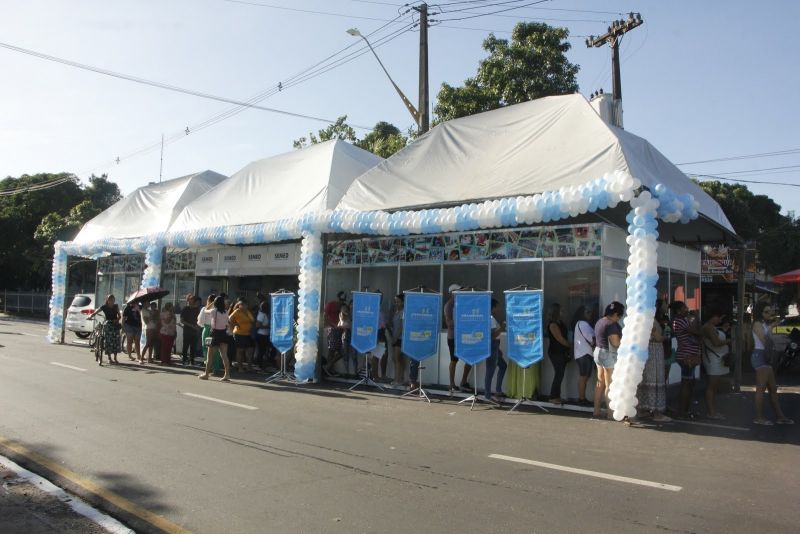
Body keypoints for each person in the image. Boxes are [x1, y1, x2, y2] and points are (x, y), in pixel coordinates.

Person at [751, 302, 794, 425]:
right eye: (766, 312)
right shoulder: (757, 324)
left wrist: (773, 325)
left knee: (772, 389)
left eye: (770, 311)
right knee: (761, 388)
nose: (769, 314)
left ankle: (780, 416)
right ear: (760, 313)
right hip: (760, 355)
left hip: (766, 356)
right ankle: (759, 417)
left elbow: (768, 336)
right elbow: (764, 340)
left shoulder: (764, 324)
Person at [637, 303, 671, 421]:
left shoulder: (642, 319)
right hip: (654, 353)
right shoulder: (650, 321)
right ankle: (657, 413)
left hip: (648, 352)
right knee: (655, 380)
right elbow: (658, 338)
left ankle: (642, 409)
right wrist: (666, 336)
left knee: (645, 380)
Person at [671, 301, 703, 419]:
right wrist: (697, 319)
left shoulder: (682, 320)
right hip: (686, 356)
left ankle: (685, 409)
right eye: (684, 307)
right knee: (686, 383)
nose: (687, 309)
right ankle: (682, 411)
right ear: (679, 310)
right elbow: (697, 332)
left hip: (689, 355)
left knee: (689, 383)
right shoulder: (680, 321)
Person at [593, 301, 624, 418]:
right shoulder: (612, 324)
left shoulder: (600, 321)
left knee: (599, 382)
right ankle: (611, 413)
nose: (619, 319)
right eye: (619, 316)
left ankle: (596, 411)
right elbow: (615, 343)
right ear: (615, 314)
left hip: (598, 351)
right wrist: (625, 343)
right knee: (609, 385)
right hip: (608, 354)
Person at [702, 310, 731, 420]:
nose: (720, 320)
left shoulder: (712, 327)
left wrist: (723, 330)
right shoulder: (708, 327)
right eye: (719, 318)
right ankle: (711, 412)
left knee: (714, 387)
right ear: (713, 316)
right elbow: (716, 342)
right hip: (713, 359)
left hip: (718, 358)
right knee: (711, 387)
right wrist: (728, 341)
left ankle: (713, 410)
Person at [445, 284, 473, 395]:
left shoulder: (464, 303)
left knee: (470, 358)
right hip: (453, 337)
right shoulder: (449, 305)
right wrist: (462, 319)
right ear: (452, 292)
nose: (461, 292)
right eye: (459, 291)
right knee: (454, 360)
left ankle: (463, 382)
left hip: (465, 336)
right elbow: (449, 324)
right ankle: (451, 384)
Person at [199, 295, 232, 382]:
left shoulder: (214, 311)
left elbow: (205, 310)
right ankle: (227, 374)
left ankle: (206, 374)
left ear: (216, 303)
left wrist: (212, 303)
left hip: (215, 333)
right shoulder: (225, 312)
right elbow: (228, 322)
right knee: (224, 355)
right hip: (223, 334)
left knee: (210, 356)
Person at [483, 298, 507, 402]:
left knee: (503, 366)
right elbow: (492, 335)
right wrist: (502, 327)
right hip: (492, 345)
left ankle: (498, 390)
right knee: (490, 370)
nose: (499, 309)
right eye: (497, 306)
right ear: (493, 308)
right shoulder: (491, 318)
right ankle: (487, 395)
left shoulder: (490, 318)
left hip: (495, 346)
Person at [571, 305, 595, 407]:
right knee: (584, 376)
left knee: (584, 376)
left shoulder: (579, 323)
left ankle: (582, 398)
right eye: (587, 312)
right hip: (584, 354)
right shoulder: (583, 324)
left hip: (582, 353)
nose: (590, 314)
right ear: (582, 314)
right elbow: (592, 338)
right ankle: (581, 398)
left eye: (590, 312)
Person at [546, 303, 570, 405]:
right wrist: (569, 345)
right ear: (556, 312)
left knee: (560, 374)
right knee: (559, 374)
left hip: (561, 351)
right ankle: (553, 396)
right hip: (555, 351)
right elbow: (559, 338)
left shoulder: (559, 322)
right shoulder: (553, 324)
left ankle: (557, 396)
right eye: (561, 310)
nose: (562, 312)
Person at [89, 294, 121, 365]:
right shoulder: (104, 307)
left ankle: (115, 358)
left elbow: (119, 316)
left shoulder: (116, 306)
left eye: (113, 300)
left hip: (115, 324)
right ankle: (109, 358)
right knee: (108, 341)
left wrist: (117, 319)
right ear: (107, 300)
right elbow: (96, 312)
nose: (112, 301)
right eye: (110, 300)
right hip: (108, 324)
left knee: (116, 341)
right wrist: (91, 315)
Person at [323, 291, 346, 377]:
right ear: (338, 297)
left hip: (339, 330)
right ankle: (328, 368)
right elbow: (325, 316)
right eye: (341, 298)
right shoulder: (331, 304)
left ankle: (328, 368)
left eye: (344, 299)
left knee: (334, 351)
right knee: (333, 350)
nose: (342, 300)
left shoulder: (343, 306)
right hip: (332, 329)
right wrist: (333, 326)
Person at [229, 298, 255, 372]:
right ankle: (240, 368)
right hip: (239, 334)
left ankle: (249, 367)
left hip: (248, 334)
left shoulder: (247, 311)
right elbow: (229, 319)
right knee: (240, 351)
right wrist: (235, 324)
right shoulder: (237, 311)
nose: (245, 306)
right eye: (243, 305)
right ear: (239, 305)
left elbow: (252, 321)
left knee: (250, 351)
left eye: (246, 305)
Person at [388, 294, 406, 386]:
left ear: (403, 302)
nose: (396, 303)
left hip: (400, 338)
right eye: (395, 302)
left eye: (398, 301)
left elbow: (401, 327)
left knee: (396, 358)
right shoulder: (396, 312)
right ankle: (401, 378)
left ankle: (397, 379)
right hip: (395, 338)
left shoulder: (403, 312)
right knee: (398, 359)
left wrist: (395, 338)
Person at [179, 295, 201, 366]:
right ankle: (184, 360)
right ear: (187, 300)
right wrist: (191, 326)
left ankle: (192, 361)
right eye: (191, 299)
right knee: (185, 346)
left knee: (193, 346)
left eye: (193, 299)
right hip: (187, 331)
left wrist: (198, 326)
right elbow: (182, 321)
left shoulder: (197, 309)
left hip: (195, 331)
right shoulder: (185, 309)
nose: (192, 300)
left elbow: (199, 320)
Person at [338, 302, 356, 377]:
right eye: (351, 305)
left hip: (352, 334)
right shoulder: (342, 315)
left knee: (354, 354)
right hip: (345, 334)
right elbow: (341, 324)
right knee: (346, 353)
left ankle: (355, 372)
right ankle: (347, 372)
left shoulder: (353, 314)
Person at [255, 300, 270, 369]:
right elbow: (258, 325)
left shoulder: (265, 314)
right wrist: (268, 326)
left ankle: (262, 365)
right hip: (261, 335)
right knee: (261, 350)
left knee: (263, 350)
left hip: (265, 335)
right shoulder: (261, 314)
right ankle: (259, 365)